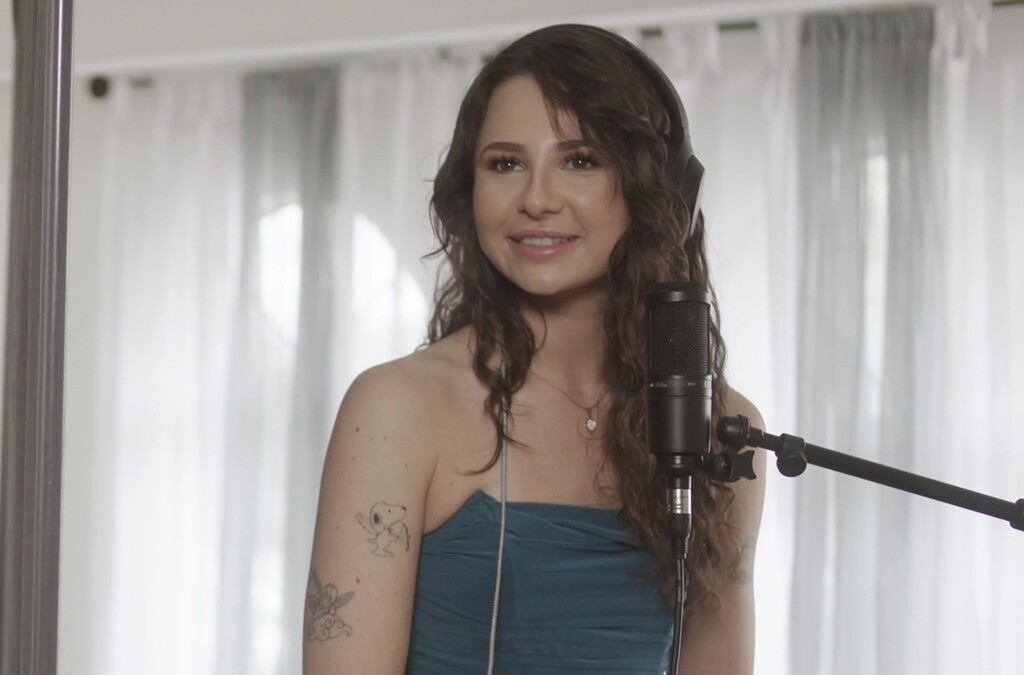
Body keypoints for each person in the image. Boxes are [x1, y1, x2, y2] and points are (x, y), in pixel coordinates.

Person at [304, 23, 766, 675]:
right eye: (505, 164)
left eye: (580, 160)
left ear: (660, 190)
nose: (537, 199)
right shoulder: (395, 409)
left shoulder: (722, 430)